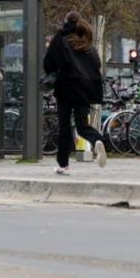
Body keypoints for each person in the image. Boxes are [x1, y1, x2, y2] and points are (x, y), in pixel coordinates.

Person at [43, 11, 106, 175]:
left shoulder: (64, 43)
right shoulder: (89, 48)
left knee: (64, 127)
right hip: (84, 91)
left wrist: (60, 33)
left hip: (66, 89)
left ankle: (63, 164)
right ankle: (97, 140)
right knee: (82, 125)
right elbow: (96, 67)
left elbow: (48, 61)